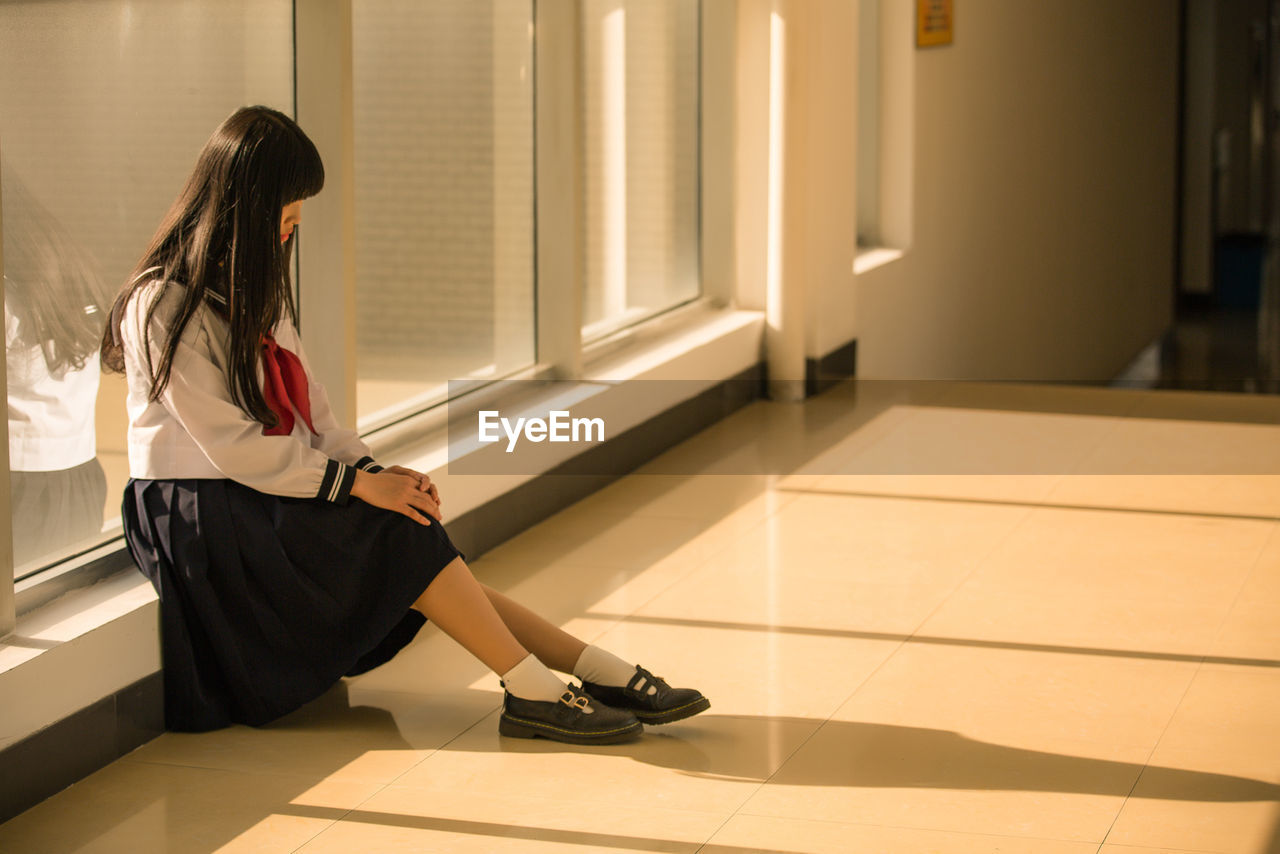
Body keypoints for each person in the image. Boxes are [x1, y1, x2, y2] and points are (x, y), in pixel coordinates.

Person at [99, 105, 708, 742]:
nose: (292, 230)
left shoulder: (256, 292)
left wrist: (374, 473)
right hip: (201, 511)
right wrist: (357, 487)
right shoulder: (159, 303)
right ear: (240, 210)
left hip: (262, 489)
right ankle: (555, 682)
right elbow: (229, 446)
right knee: (399, 540)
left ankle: (561, 675)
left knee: (407, 524)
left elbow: (316, 417)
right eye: (283, 217)